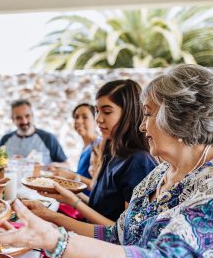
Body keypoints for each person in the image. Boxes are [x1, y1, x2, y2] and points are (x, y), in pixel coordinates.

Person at [0, 64, 213, 258]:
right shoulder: (162, 174)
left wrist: (55, 241)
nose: (142, 127)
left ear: (182, 117)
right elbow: (119, 235)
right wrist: (53, 223)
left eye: (149, 114)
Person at [45, 80, 157, 226]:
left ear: (128, 113)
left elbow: (124, 233)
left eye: (107, 111)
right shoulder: (113, 153)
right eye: (97, 111)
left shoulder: (138, 162)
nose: (98, 119)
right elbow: (100, 208)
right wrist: (68, 196)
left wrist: (60, 213)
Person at [0, 99, 67, 167]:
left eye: (27, 116)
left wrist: (56, 165)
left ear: (32, 115)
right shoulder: (5, 139)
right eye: (18, 118)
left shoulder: (48, 138)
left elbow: (66, 165)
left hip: (42, 177)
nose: (24, 121)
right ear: (12, 119)